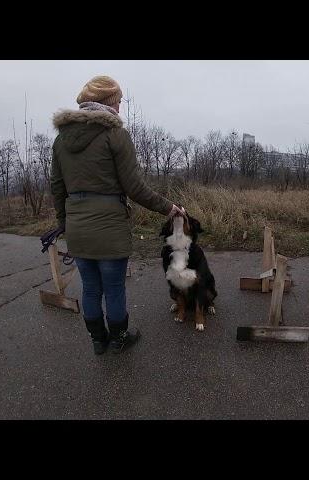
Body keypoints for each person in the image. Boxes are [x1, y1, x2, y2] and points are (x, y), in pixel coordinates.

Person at [50, 75, 186, 354]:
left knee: (89, 288)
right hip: (109, 226)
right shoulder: (116, 134)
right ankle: (119, 339)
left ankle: (98, 341)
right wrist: (169, 208)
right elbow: (134, 187)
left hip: (77, 226)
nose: (121, 107)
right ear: (108, 102)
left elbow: (57, 187)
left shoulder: (61, 140)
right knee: (113, 288)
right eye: (119, 101)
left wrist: (64, 223)